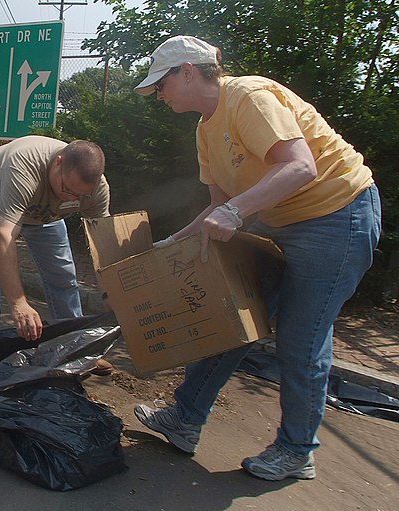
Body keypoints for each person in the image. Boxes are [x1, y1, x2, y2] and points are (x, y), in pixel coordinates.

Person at [131, 35, 381, 481]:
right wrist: (172, 244)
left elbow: (301, 166)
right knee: (233, 314)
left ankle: (296, 451)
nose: (158, 95)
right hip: (279, 218)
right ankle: (184, 419)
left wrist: (235, 212)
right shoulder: (205, 127)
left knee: (301, 339)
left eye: (161, 84)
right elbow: (217, 203)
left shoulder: (248, 96)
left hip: (336, 215)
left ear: (188, 71)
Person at [0, 135, 111, 342]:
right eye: (67, 189)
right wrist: (18, 303)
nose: (71, 198)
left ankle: (72, 343)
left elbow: (103, 243)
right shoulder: (23, 167)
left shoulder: (98, 190)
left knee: (63, 274)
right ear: (58, 162)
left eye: (81, 196)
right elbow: (3, 236)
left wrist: (110, 294)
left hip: (44, 213)